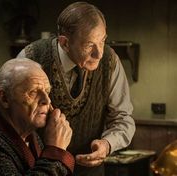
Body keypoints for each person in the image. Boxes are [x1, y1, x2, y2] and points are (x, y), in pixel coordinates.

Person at [17, 1, 136, 176]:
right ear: (65, 43)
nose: (99, 53)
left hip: (90, 171)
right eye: (89, 45)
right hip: (41, 170)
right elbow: (13, 121)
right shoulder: (30, 58)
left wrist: (107, 144)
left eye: (102, 41)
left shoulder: (110, 61)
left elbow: (123, 118)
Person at [0, 58, 75, 176]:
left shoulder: (32, 136)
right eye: (33, 92)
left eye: (47, 92)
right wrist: (55, 151)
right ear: (4, 98)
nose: (47, 100)